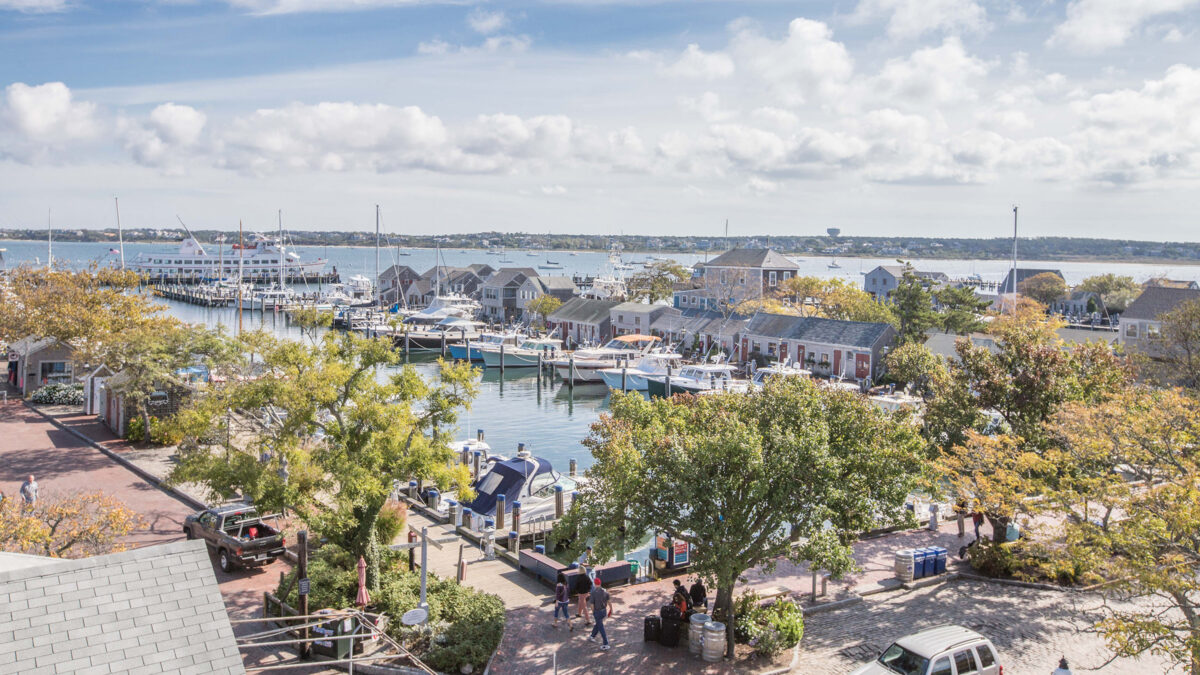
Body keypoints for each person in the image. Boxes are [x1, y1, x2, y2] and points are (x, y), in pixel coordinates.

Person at [586, 578, 612, 650]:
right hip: (604, 611)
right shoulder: (605, 591)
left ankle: (605, 643)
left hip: (597, 612)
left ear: (595, 584)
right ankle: (592, 636)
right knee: (598, 624)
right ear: (600, 583)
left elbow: (591, 605)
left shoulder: (593, 593)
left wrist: (593, 612)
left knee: (601, 627)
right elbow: (609, 601)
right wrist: (611, 610)